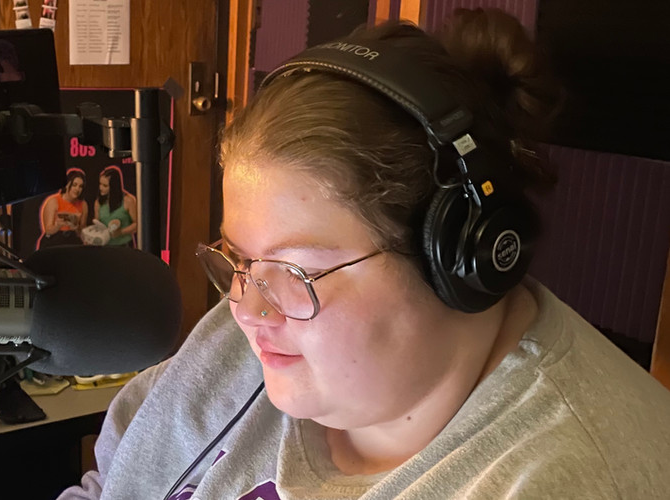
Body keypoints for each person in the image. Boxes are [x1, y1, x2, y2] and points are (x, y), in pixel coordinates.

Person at [60, 9, 670, 500]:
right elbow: (114, 481)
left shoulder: (566, 478)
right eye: (239, 260)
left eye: (298, 271)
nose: (245, 309)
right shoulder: (250, 335)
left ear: (459, 262)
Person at [38, 168, 88, 249]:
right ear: (67, 184)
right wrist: (58, 225)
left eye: (80, 186)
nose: (77, 189)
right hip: (54, 240)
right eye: (74, 185)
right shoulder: (53, 201)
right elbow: (48, 230)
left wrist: (76, 228)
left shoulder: (83, 204)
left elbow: (83, 231)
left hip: (72, 241)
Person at [93, 165, 138, 247]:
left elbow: (137, 224)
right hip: (105, 246)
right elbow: (97, 224)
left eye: (105, 186)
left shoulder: (128, 200)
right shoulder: (98, 202)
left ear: (114, 186)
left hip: (125, 246)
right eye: (100, 184)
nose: (101, 188)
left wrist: (121, 232)